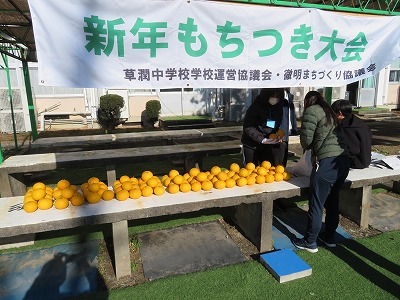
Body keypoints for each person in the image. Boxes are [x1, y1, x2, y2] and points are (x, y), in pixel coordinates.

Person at [292, 91, 350, 253]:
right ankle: (329, 237)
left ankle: (310, 242)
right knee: (332, 202)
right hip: (343, 162)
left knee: (316, 204)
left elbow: (307, 141)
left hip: (328, 163)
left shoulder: (311, 111)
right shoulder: (329, 112)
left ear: (307, 101)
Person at [241, 88, 288, 167]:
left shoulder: (279, 107)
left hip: (268, 144)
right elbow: (248, 126)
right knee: (251, 170)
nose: (275, 98)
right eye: (273, 96)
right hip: (251, 144)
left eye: (277, 96)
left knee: (266, 171)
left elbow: (276, 123)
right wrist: (261, 139)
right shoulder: (256, 106)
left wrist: (277, 133)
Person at [331, 99, 372, 169]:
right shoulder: (357, 122)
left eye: (332, 113)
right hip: (365, 159)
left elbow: (352, 149)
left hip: (357, 162)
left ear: (340, 114)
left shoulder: (348, 128)